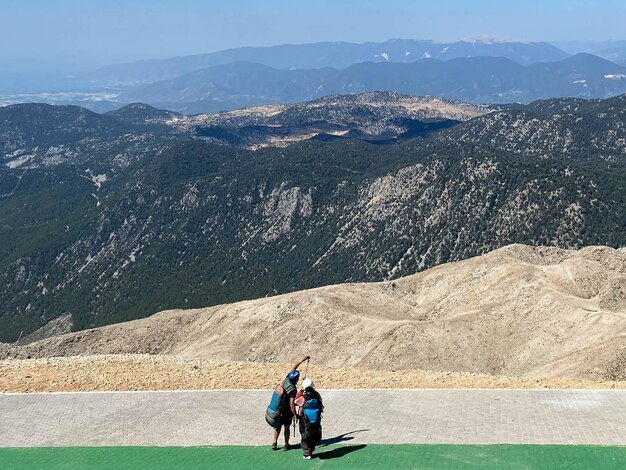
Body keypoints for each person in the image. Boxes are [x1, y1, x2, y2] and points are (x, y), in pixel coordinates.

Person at [265, 355, 310, 450]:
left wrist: (302, 359)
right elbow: (291, 404)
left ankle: (274, 443)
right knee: (286, 426)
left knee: (277, 427)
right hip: (284, 411)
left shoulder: (286, 379)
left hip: (276, 411)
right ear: (296, 380)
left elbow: (294, 367)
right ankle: (286, 444)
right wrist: (295, 414)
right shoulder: (292, 389)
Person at [295, 377, 323, 460]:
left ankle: (307, 453)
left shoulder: (303, 398)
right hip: (316, 420)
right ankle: (311, 450)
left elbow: (295, 401)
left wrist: (300, 391)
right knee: (312, 435)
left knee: (305, 436)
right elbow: (321, 404)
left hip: (305, 420)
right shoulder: (317, 395)